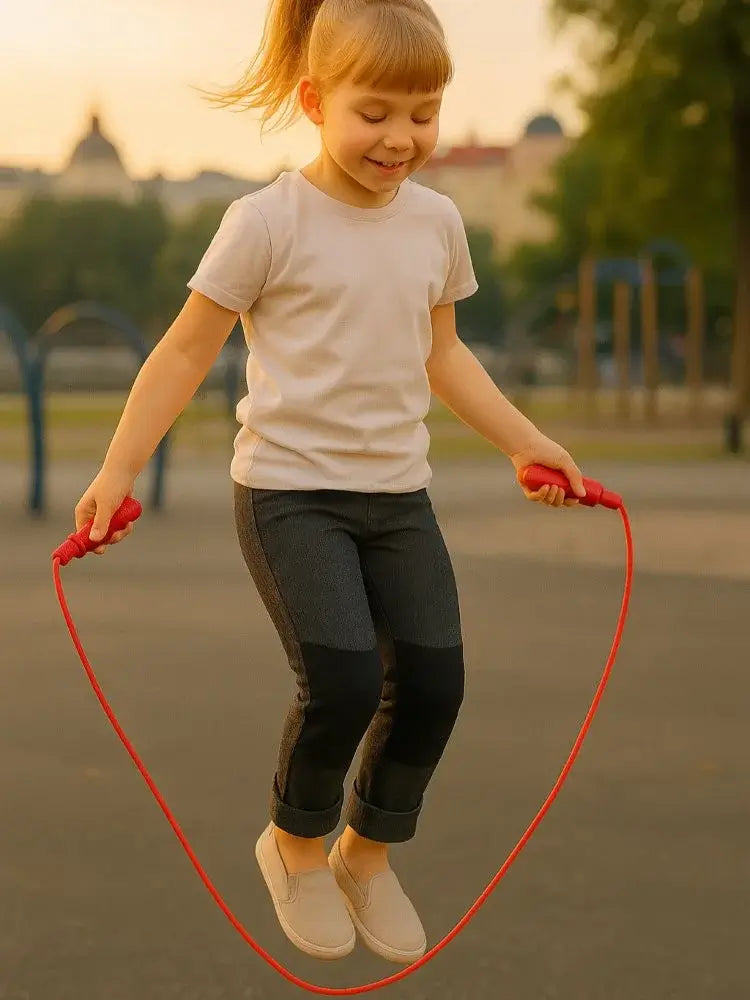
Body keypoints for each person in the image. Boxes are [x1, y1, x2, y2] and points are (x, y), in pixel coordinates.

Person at [74, 0, 587, 967]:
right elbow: (185, 353)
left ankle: (365, 853)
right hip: (289, 496)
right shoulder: (264, 221)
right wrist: (115, 471)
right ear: (315, 100)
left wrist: (529, 443)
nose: (401, 138)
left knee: (435, 682)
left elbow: (446, 358)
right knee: (345, 679)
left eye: (422, 113)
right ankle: (296, 848)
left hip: (398, 496)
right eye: (376, 112)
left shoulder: (436, 224)